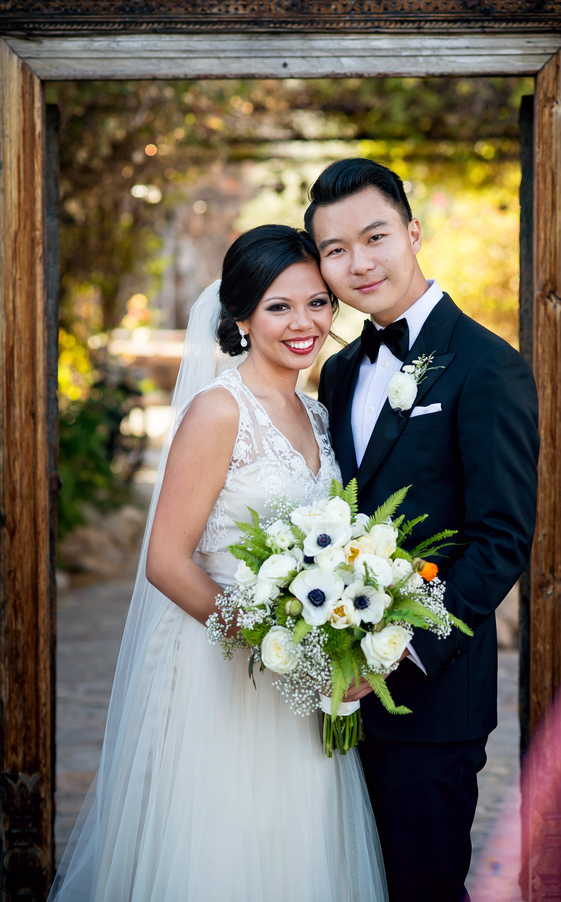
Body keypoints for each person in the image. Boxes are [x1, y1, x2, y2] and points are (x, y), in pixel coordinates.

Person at [49, 224, 388, 902]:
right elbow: (166, 562)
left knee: (296, 841)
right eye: (279, 306)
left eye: (318, 302)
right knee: (226, 845)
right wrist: (275, 643)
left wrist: (336, 646)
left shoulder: (317, 415)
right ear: (241, 316)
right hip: (226, 669)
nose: (304, 323)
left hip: (300, 677)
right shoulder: (218, 410)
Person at [305, 159, 540, 902]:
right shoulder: (338, 371)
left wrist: (402, 650)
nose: (358, 262)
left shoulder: (486, 366)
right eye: (335, 250)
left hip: (430, 699)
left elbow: (501, 536)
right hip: (335, 692)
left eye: (374, 236)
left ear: (411, 231)